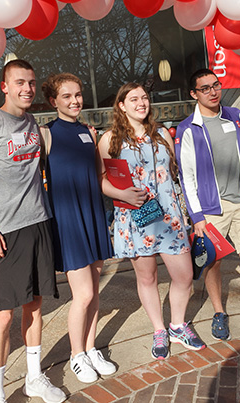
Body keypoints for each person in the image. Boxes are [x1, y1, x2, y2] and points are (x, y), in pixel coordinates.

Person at [0, 59, 65, 403]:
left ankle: (34, 379)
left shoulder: (32, 121)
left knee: (35, 306)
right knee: (3, 314)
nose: (27, 89)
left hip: (38, 224)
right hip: (5, 231)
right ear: (5, 86)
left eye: (32, 83)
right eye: (20, 82)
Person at [97, 82, 205, 361]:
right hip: (135, 216)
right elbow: (101, 181)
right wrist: (121, 193)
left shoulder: (162, 136)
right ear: (121, 105)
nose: (141, 103)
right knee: (147, 278)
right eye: (133, 99)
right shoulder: (110, 140)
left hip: (168, 216)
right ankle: (159, 330)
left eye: (144, 97)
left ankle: (178, 325)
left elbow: (175, 175)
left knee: (184, 275)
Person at [175, 69, 240, 342]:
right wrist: (196, 214)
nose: (213, 92)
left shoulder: (235, 116)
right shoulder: (189, 128)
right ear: (193, 94)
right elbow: (186, 176)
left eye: (216, 85)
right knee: (213, 263)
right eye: (205, 88)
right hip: (211, 208)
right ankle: (219, 312)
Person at [40, 73, 116, 383]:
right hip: (68, 221)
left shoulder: (89, 132)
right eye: (67, 96)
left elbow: (99, 176)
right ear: (53, 101)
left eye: (78, 94)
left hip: (94, 215)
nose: (75, 101)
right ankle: (76, 355)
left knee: (95, 291)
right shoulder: (46, 133)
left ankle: (90, 347)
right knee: (83, 295)